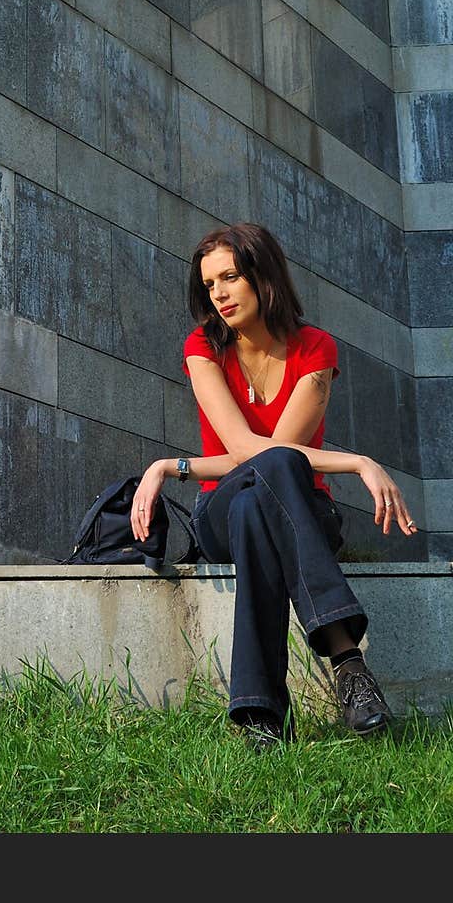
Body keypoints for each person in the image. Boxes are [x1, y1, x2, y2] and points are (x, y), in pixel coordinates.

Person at [130, 221, 418, 751]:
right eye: (209, 283)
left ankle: (261, 715)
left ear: (263, 277)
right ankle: (348, 662)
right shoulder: (203, 347)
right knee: (253, 493)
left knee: (259, 504)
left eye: (231, 277)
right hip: (218, 507)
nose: (218, 293)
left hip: (298, 511)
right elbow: (243, 449)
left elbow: (278, 462)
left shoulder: (315, 350)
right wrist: (355, 461)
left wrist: (173, 465)